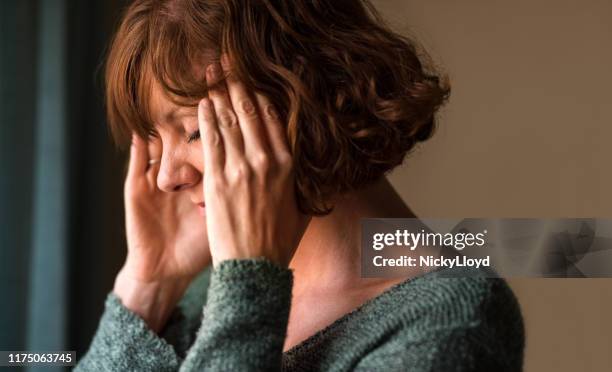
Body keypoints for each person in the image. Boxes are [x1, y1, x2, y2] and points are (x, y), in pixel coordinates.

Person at [75, 0, 524, 370]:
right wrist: (147, 286)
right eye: (154, 143)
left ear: (307, 101)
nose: (167, 176)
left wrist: (248, 288)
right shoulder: (202, 297)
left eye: (194, 130)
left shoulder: (450, 319)